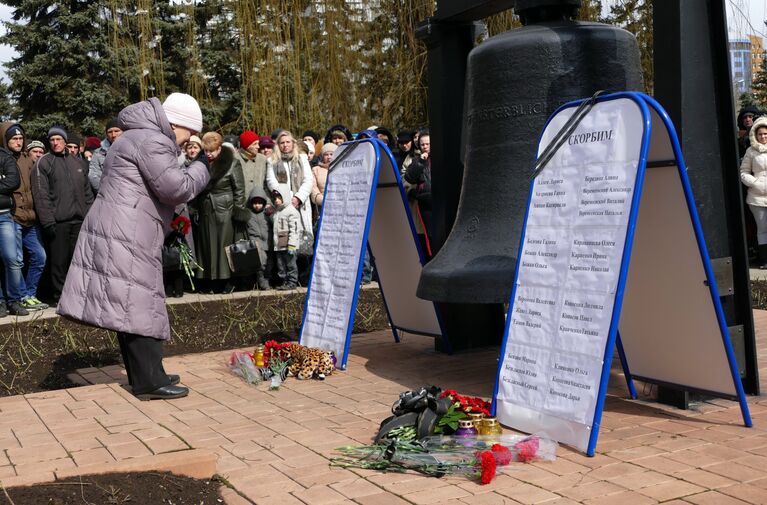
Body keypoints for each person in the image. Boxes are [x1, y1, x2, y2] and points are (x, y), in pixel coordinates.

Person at [57, 92, 210, 400]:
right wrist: (201, 167)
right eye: (189, 132)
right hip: (129, 230)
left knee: (129, 301)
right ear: (175, 123)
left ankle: (148, 373)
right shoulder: (153, 140)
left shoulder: (133, 136)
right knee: (140, 301)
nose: (188, 139)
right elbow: (176, 188)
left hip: (120, 225)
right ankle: (149, 382)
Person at [31, 126, 94, 304]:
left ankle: (77, 295)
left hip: (79, 220)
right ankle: (60, 296)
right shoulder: (44, 163)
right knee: (58, 262)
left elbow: (87, 192)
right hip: (58, 221)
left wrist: (89, 216)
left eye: (59, 139)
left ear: (65, 141)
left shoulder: (77, 163)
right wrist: (48, 221)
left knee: (78, 260)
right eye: (52, 140)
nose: (55, 142)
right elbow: (40, 194)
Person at [190, 131, 249, 293]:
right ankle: (208, 279)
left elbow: (239, 190)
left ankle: (227, 281)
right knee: (206, 246)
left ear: (220, 149)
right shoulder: (200, 162)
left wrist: (238, 210)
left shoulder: (232, 163)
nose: (208, 154)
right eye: (206, 151)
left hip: (225, 210)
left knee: (224, 247)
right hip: (205, 209)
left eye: (212, 151)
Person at [1, 122, 48, 312]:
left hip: (31, 217)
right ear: (6, 140)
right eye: (14, 139)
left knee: (39, 256)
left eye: (21, 138)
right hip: (13, 216)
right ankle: (19, 297)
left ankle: (28, 293)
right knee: (15, 259)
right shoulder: (4, 158)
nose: (18, 142)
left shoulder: (27, 159)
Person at [265, 130, 314, 286]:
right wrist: (285, 198)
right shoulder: (272, 161)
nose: (285, 145)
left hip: (300, 205)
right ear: (278, 145)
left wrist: (298, 197)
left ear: (293, 143)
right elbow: (271, 181)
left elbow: (308, 180)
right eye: (282, 142)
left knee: (303, 241)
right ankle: (288, 278)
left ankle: (305, 277)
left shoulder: (302, 158)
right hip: (283, 206)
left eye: (288, 142)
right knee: (286, 243)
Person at [740, 116, 767, 268]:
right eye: (760, 134)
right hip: (756, 198)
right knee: (762, 229)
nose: (763, 136)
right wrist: (755, 183)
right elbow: (743, 172)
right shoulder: (751, 151)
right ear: (755, 135)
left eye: (765, 134)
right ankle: (764, 259)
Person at [0, 136, 21, 318]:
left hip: (4, 215)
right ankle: (0, 302)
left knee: (11, 258)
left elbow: (13, 181)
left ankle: (14, 301)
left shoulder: (4, 156)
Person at [405, 130, 432, 256]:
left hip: (439, 200)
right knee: (429, 234)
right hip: (425, 201)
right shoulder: (417, 161)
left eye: (427, 144)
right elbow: (409, 177)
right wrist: (420, 162)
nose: (425, 147)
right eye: (422, 145)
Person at [270, 189, 299, 290]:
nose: (277, 200)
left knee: (290, 264)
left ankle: (292, 282)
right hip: (279, 244)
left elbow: (294, 229)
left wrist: (292, 244)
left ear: (285, 197)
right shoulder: (277, 211)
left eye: (279, 198)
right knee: (281, 265)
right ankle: (284, 282)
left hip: (288, 245)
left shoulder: (291, 211)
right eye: (275, 199)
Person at [247, 186, 273, 290]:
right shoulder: (248, 214)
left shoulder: (267, 214)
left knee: (270, 263)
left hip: (268, 241)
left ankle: (268, 279)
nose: (257, 205)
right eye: (255, 203)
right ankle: (262, 281)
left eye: (260, 203)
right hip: (256, 241)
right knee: (261, 261)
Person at [89, 118, 124, 193]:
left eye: (117, 131)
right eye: (110, 132)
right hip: (107, 194)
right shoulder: (98, 153)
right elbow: (93, 175)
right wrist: (106, 192)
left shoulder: (133, 149)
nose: (113, 135)